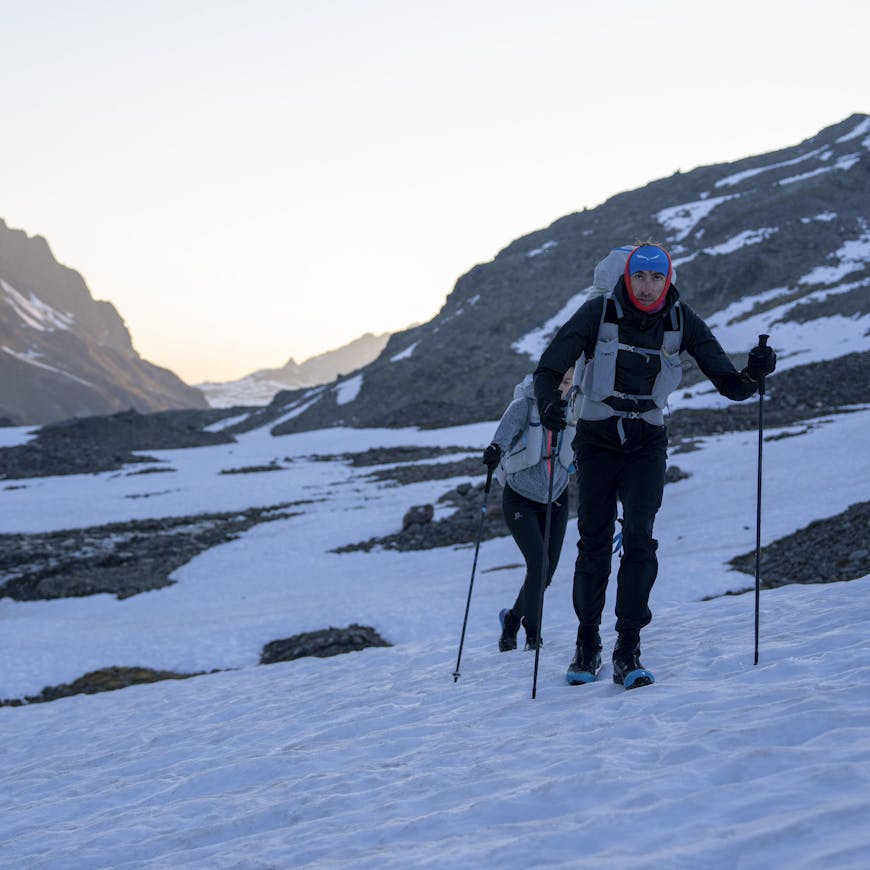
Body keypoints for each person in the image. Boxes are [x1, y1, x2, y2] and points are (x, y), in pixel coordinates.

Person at [533, 242, 776, 689]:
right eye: (640, 277)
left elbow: (730, 384)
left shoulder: (681, 320)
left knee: (640, 539)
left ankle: (628, 648)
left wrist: (755, 374)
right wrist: (549, 402)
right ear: (627, 277)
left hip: (646, 439)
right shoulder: (597, 313)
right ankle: (587, 643)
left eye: (657, 278)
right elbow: (549, 367)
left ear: (668, 280)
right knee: (594, 541)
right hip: (598, 437)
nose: (648, 287)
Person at [482, 367, 576, 652]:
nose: (563, 387)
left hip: (556, 497)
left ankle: (512, 619)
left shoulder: (576, 407)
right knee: (539, 565)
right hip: (520, 498)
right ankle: (533, 633)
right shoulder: (524, 405)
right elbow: (500, 439)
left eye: (569, 381)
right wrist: (493, 453)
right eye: (560, 380)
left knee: (545, 573)